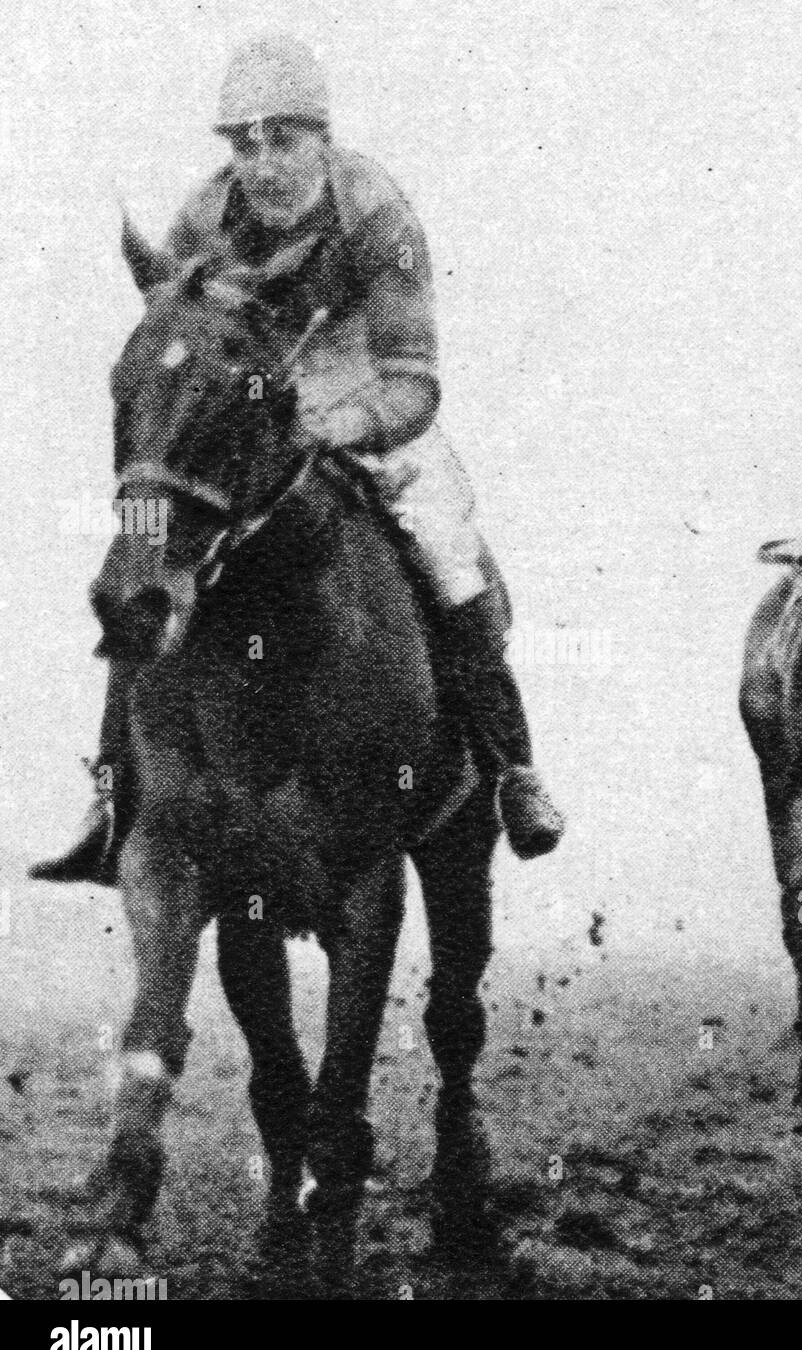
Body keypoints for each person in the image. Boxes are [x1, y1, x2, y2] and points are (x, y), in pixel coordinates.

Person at [31, 31, 564, 885]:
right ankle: (111, 797)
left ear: (322, 137)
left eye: (283, 139)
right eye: (245, 143)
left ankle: (511, 771)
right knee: (143, 548)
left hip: (361, 383)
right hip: (242, 403)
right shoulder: (202, 217)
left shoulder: (376, 215)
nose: (263, 163)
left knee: (446, 546)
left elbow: (414, 382)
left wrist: (332, 423)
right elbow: (179, 334)